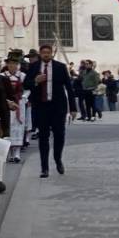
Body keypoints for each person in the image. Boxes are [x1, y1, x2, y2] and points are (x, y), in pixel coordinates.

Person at [24, 42, 72, 177]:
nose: (46, 55)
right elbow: (25, 84)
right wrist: (35, 81)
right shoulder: (33, 67)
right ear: (40, 54)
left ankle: (58, 159)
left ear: (51, 54)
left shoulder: (60, 67)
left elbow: (69, 87)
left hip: (58, 107)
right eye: (43, 52)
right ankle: (44, 168)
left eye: (48, 52)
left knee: (59, 135)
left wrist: (73, 108)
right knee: (43, 137)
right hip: (41, 107)